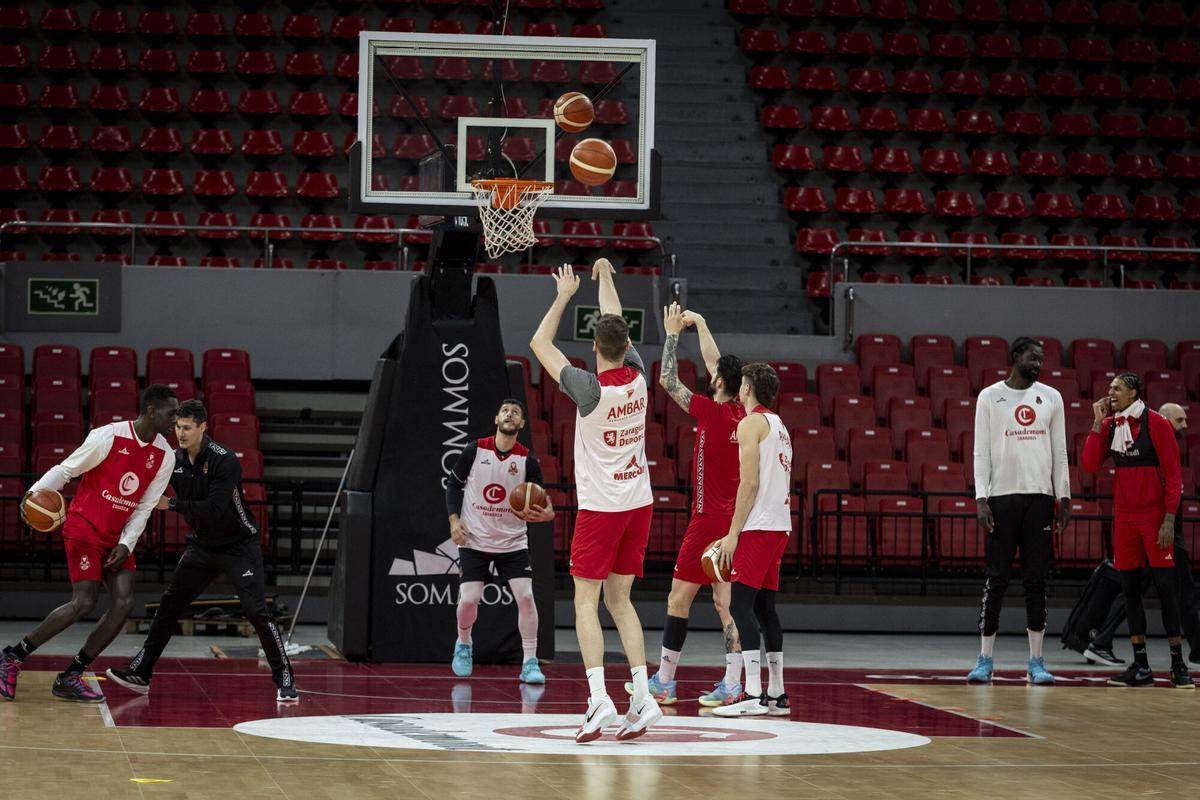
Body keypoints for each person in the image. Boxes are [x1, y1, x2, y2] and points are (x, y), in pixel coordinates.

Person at [529, 259, 661, 743]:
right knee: (621, 600)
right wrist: (606, 277)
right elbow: (615, 325)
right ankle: (642, 698)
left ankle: (598, 698)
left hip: (603, 508)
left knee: (586, 601)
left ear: (592, 349)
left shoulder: (587, 387)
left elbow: (539, 345)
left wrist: (564, 295)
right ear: (627, 347)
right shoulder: (639, 375)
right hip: (639, 503)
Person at [105, 399, 299, 701]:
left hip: (239, 545)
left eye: (187, 428)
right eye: (178, 427)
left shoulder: (225, 460)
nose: (180, 434)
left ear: (202, 428)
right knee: (169, 605)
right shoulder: (173, 459)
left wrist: (172, 504)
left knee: (256, 612)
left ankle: (284, 676)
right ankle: (141, 672)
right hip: (203, 546)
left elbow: (215, 509)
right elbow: (146, 486)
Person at [0, 385, 178, 703]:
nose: (175, 420)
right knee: (84, 601)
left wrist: (127, 543)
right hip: (84, 527)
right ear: (152, 411)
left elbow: (144, 507)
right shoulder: (108, 436)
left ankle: (71, 675)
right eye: (171, 413)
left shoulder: (165, 455)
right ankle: (12, 657)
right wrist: (33, 495)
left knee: (124, 603)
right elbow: (66, 470)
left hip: (116, 536)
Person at [625, 303, 745, 707]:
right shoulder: (745, 414)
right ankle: (733, 683)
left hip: (708, 520)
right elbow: (716, 362)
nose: (709, 377)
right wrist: (705, 322)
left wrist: (673, 332)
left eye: (714, 377)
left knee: (679, 598)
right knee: (723, 602)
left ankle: (666, 681)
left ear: (721, 383)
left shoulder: (711, 412)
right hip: (733, 522)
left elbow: (666, 378)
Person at [969, 337, 1071, 686]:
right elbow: (980, 452)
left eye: (1041, 359)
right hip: (1001, 498)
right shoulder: (989, 396)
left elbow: (1060, 452)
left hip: (1040, 498)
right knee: (996, 578)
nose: (1038, 363)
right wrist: (981, 498)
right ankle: (985, 659)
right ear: (1016, 357)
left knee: (1036, 580)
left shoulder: (1052, 397)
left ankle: (1036, 660)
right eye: (1032, 357)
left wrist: (1065, 497)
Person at [1082, 375, 1192, 688]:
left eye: (1116, 388)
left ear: (1133, 392)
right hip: (1125, 519)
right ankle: (1140, 665)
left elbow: (1173, 475)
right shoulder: (1111, 425)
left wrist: (1169, 519)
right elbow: (1090, 465)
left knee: (1166, 589)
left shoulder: (1157, 423)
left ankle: (1177, 665)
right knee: (1129, 591)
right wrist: (1096, 423)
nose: (1110, 392)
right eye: (1109, 388)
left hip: (1155, 518)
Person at [444, 398, 554, 683]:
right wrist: (454, 520)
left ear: (521, 424)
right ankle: (464, 643)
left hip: (512, 542)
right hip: (475, 540)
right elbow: (453, 484)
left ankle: (530, 662)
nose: (509, 414)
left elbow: (543, 499)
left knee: (527, 597)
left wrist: (547, 512)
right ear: (497, 418)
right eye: (505, 410)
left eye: (515, 412)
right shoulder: (474, 450)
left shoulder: (527, 459)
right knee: (468, 600)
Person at [712, 363, 793, 718]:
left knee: (740, 605)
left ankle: (752, 693)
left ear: (746, 389)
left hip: (759, 526)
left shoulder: (750, 424)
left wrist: (732, 534)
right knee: (765, 608)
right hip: (780, 525)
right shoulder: (780, 425)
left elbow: (748, 483)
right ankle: (776, 694)